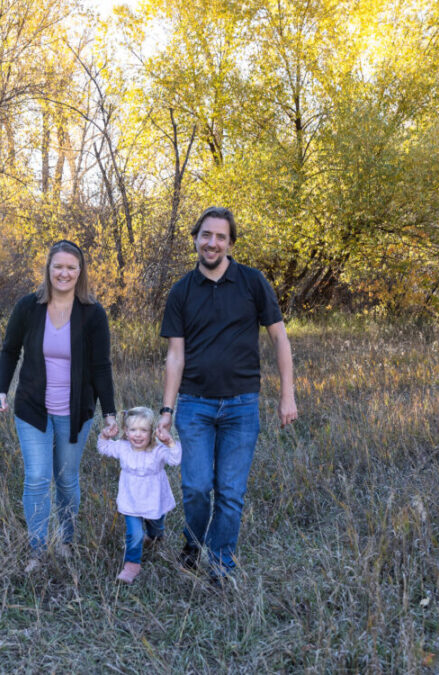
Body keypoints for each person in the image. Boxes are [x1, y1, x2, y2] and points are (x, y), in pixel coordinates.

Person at [156, 206, 298, 582]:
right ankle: (194, 541)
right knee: (197, 488)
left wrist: (288, 396)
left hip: (241, 406)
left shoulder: (252, 283)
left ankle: (220, 566)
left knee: (231, 492)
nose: (212, 243)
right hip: (195, 406)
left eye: (220, 236)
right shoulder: (182, 291)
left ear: (230, 243)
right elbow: (175, 355)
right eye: (206, 235)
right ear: (196, 239)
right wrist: (167, 410)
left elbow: (279, 338)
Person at [0, 240, 119, 572]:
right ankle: (37, 549)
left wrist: (109, 413)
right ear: (48, 270)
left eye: (71, 267)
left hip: (75, 411)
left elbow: (101, 367)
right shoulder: (28, 307)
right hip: (32, 409)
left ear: (80, 272)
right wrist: (1, 392)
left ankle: (65, 541)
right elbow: (9, 351)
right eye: (58, 267)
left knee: (65, 480)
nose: (64, 273)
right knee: (37, 478)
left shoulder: (93, 314)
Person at [97, 407, 182, 584]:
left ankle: (154, 536)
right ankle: (132, 565)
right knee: (134, 534)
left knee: (156, 527)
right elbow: (104, 447)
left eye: (143, 430)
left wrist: (169, 442)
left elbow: (175, 460)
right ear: (126, 431)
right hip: (131, 500)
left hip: (154, 499)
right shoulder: (123, 448)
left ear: (152, 432)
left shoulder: (157, 450)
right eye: (133, 430)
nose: (137, 435)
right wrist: (105, 435)